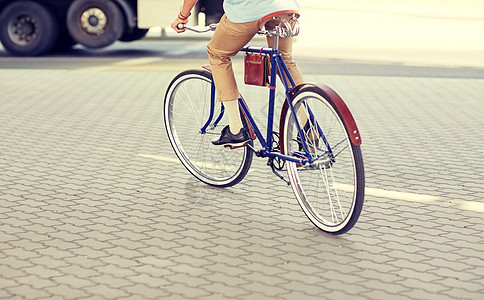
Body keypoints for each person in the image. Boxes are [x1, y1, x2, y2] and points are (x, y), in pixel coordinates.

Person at [172, 0, 304, 146]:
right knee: (284, 60)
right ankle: (308, 127)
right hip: (284, 8)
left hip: (247, 10)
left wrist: (183, 16)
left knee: (217, 54)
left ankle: (236, 129)